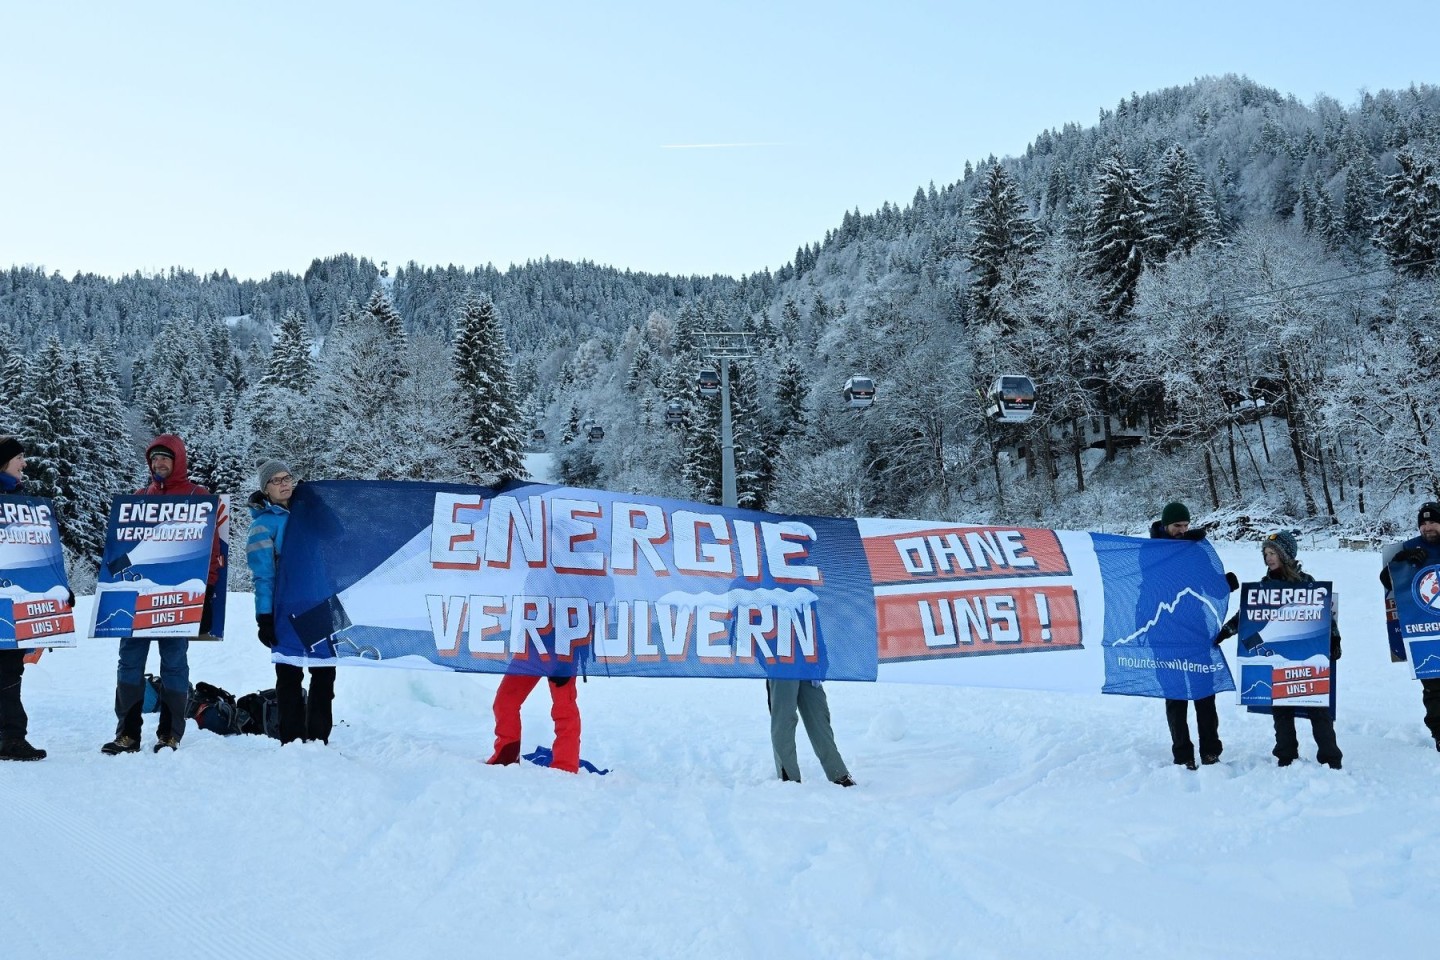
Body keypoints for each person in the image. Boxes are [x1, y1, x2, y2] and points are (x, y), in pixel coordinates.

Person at [102, 434, 221, 755]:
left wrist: (207, 592)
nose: (158, 464)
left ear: (178, 460)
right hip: (138, 598)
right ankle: (127, 734)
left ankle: (170, 733)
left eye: (165, 458)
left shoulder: (198, 496)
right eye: (154, 459)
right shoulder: (140, 497)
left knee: (173, 665)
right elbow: (132, 547)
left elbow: (211, 551)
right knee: (128, 663)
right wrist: (113, 576)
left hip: (178, 598)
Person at [1225, 531, 1343, 769]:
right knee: (1281, 708)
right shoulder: (1264, 587)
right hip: (1280, 661)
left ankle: (1331, 757)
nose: (1269, 558)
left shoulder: (1306, 582)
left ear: (1287, 555)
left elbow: (1324, 615)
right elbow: (1247, 616)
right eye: (1266, 553)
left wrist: (1334, 639)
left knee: (1318, 709)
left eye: (1274, 553)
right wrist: (1227, 630)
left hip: (1308, 656)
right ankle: (1285, 754)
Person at [246, 458, 335, 744]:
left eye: (288, 478)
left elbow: (336, 534)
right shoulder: (262, 526)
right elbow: (263, 576)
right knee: (289, 676)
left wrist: (318, 505)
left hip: (318, 603)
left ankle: (319, 737)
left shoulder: (306, 513)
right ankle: (292, 739)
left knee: (324, 674)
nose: (285, 484)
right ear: (266, 489)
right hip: (286, 609)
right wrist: (264, 617)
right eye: (277, 480)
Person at [1151, 501, 1223, 770]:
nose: (1182, 530)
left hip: (1195, 632)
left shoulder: (1197, 551)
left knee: (1205, 693)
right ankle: (1182, 753)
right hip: (1164, 635)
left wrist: (1226, 583)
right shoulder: (1150, 552)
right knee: (1176, 697)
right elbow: (1146, 592)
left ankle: (1210, 749)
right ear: (1165, 525)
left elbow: (1211, 587)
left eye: (1185, 525)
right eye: (1177, 526)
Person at [0, 437, 47, 761]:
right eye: (19, 457)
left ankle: (10, 736)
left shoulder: (19, 502)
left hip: (12, 601)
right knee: (7, 670)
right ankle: (13, 738)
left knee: (9, 669)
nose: (25, 463)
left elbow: (32, 555)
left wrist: (54, 591)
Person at [1382, 501, 1440, 749]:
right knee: (1434, 687)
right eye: (1423, 523)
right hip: (1425, 630)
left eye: (1432, 521)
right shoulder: (1409, 547)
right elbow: (1387, 582)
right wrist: (1401, 560)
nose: (1427, 527)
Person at [486, 672, 581, 773]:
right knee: (505, 702)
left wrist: (565, 667)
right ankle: (505, 757)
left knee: (564, 707)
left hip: (561, 659)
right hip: (530, 657)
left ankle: (565, 766)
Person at [768, 679, 856, 786]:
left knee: (820, 721)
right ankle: (789, 777)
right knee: (784, 721)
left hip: (809, 669)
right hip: (782, 669)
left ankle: (837, 773)